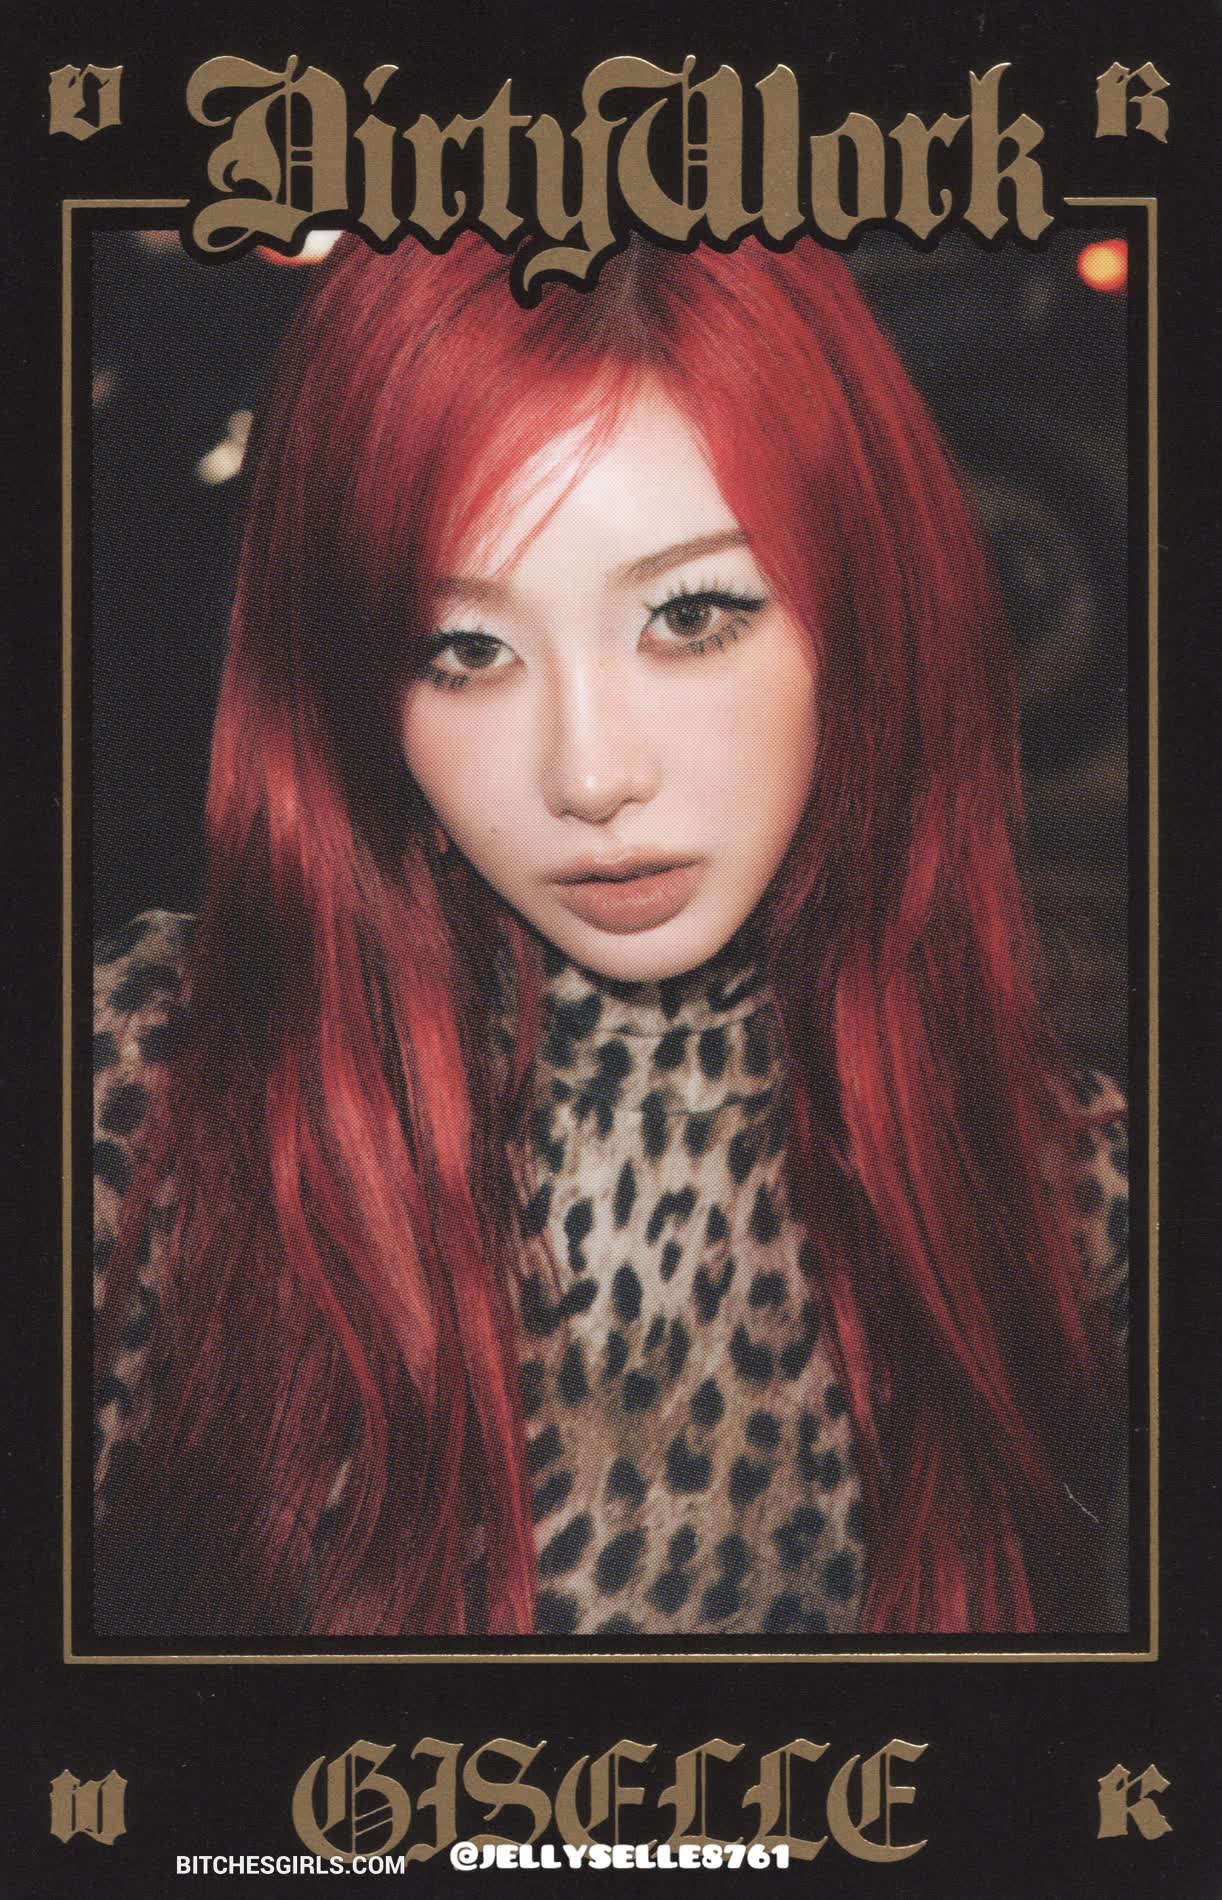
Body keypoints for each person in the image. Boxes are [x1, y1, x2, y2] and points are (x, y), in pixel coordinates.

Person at [92, 234, 1128, 1641]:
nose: (587, 777)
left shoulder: (1067, 1195)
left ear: (866, 620)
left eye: (690, 615)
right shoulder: (157, 1094)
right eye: (463, 651)